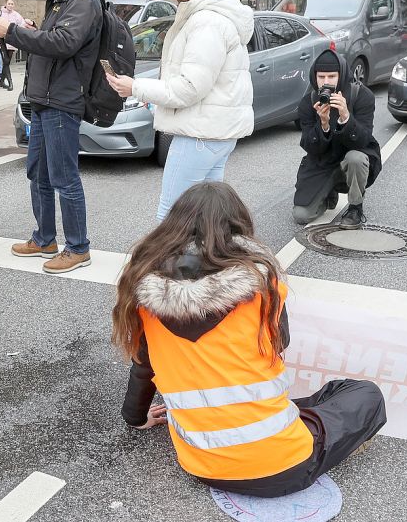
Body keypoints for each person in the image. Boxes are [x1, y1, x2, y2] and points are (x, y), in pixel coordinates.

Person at [114, 181, 387, 498]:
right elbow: (279, 344)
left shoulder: (144, 301)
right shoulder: (262, 287)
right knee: (362, 394)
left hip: (201, 467)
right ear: (238, 230)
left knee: (320, 399)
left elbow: (142, 368)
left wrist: (135, 417)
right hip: (285, 466)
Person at [106, 0, 254, 221]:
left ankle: (166, 261)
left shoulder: (206, 21)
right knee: (206, 214)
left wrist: (136, 87)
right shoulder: (218, 17)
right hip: (215, 132)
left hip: (198, 135)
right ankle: (205, 259)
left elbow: (189, 88)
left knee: (172, 215)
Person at [0, 0, 103, 274]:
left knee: (65, 178)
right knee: (38, 174)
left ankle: (78, 248)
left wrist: (12, 32)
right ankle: (45, 239)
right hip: (43, 99)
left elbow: (64, 43)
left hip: (62, 102)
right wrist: (32, 29)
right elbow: (53, 40)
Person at [294, 50, 381, 229]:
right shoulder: (308, 102)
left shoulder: (361, 96)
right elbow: (310, 147)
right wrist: (323, 125)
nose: (326, 82)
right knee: (301, 215)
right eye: (321, 77)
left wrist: (346, 117)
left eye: (332, 76)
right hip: (323, 162)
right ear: (314, 77)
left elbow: (364, 140)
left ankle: (356, 207)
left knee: (355, 158)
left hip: (352, 158)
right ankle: (328, 195)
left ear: (341, 75)